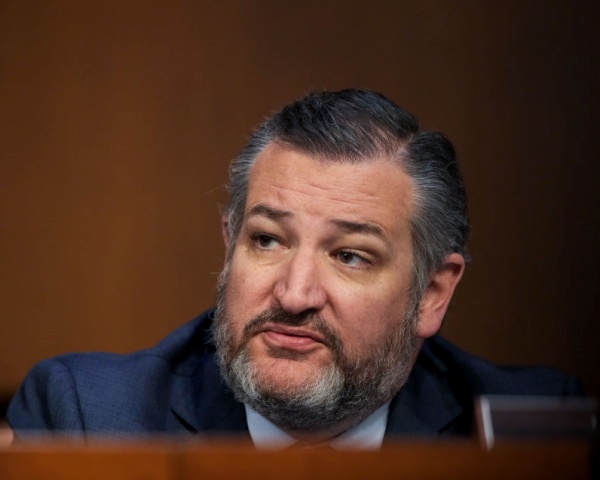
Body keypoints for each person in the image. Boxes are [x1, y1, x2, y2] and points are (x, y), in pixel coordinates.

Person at [7, 89, 582, 448]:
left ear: (431, 294)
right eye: (267, 240)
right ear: (230, 248)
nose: (294, 293)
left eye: (350, 255)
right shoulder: (91, 420)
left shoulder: (530, 434)